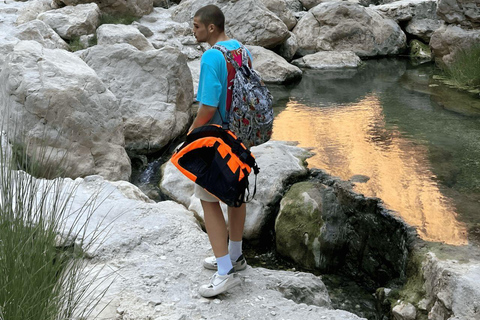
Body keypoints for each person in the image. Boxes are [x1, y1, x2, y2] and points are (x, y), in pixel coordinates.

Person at [190, 4, 252, 298]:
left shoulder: (211, 57)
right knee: (235, 193)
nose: (194, 31)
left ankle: (224, 271)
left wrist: (191, 133)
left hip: (217, 138)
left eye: (197, 27)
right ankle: (236, 255)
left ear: (211, 28)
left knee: (208, 198)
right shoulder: (241, 50)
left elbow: (209, 106)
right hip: (241, 135)